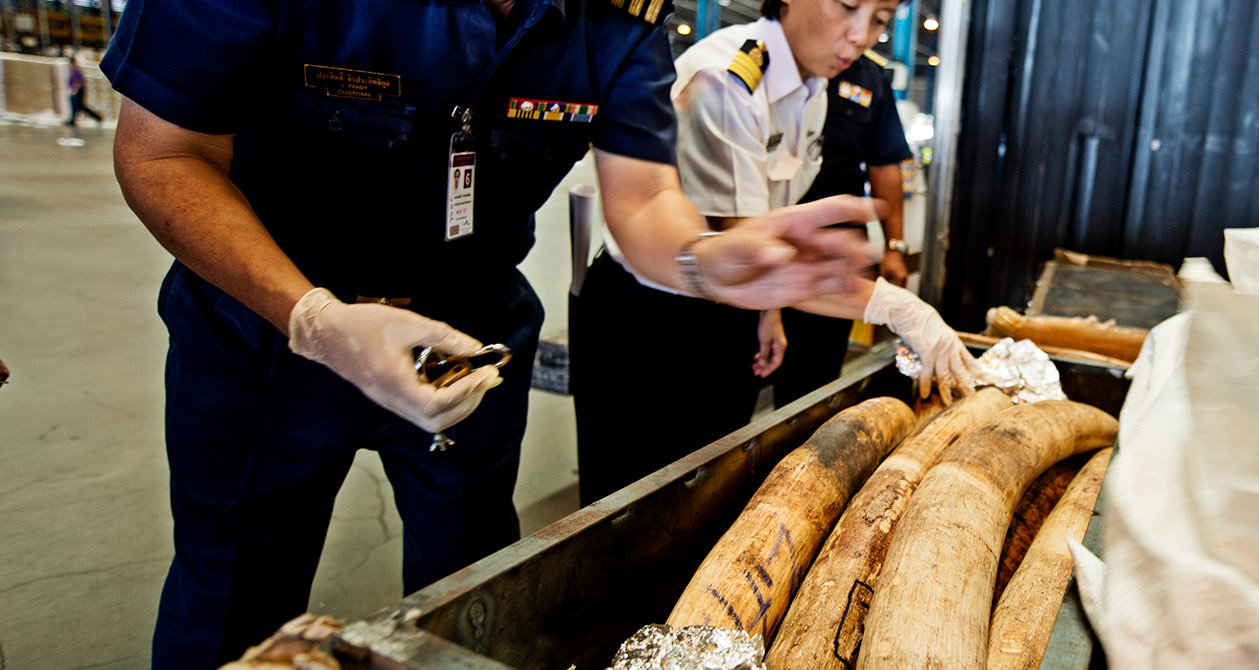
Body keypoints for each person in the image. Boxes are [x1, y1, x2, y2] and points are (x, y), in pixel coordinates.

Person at [101, 0, 880, 666]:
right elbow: (164, 152)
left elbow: (641, 197)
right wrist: (316, 319)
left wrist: (706, 261)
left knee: (474, 598)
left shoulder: (618, 15)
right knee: (236, 592)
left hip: (471, 338)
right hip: (265, 328)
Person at [570, 0, 977, 506]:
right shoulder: (729, 80)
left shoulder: (813, 88)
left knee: (705, 495)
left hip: (728, 302)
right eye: (848, 6)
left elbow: (758, 247)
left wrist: (769, 315)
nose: (860, 34)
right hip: (651, 316)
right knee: (628, 508)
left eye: (880, 18)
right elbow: (751, 254)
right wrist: (898, 307)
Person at [770, 52, 914, 407]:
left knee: (813, 382)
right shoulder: (766, 58)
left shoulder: (870, 77)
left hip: (833, 254)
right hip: (767, 243)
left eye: (876, 19)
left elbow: (885, 164)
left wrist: (894, 246)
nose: (857, 32)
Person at [65, 56, 102, 126]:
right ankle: (72, 120)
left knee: (80, 106)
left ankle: (97, 117)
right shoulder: (73, 72)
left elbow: (79, 82)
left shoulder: (77, 72)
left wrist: (74, 90)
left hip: (77, 92)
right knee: (75, 106)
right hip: (74, 91)